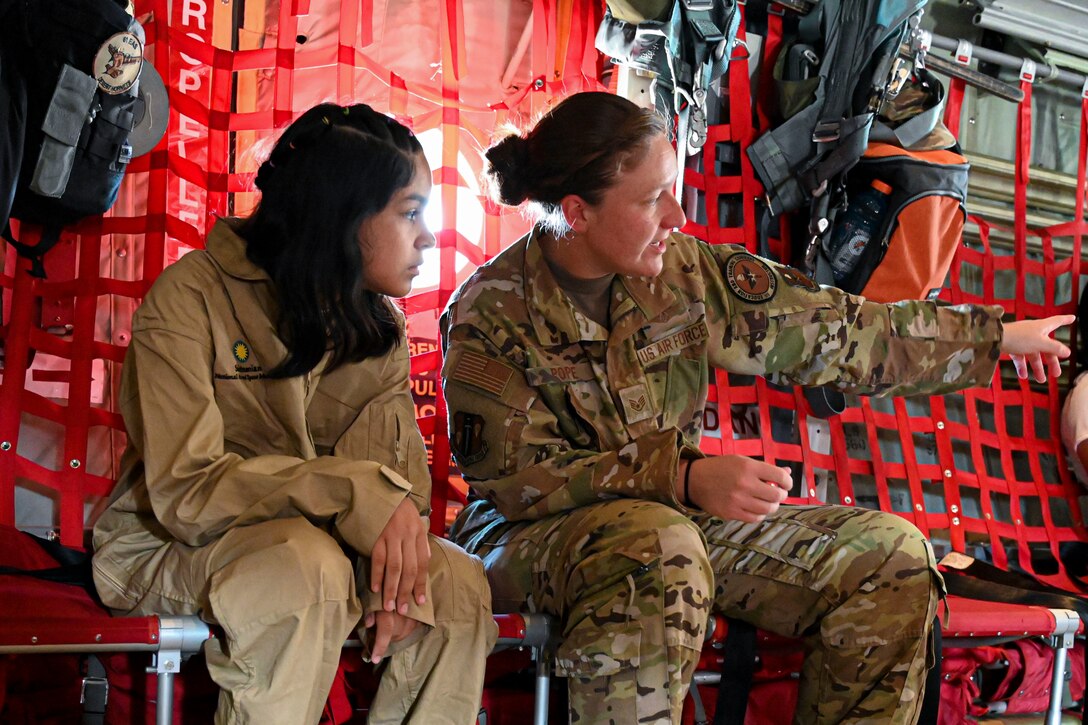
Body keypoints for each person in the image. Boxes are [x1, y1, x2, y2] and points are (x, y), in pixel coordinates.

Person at [440, 91, 1073, 725]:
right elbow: (521, 484)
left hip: (672, 521)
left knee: (891, 555)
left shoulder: (683, 275)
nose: (677, 215)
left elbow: (835, 329)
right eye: (649, 199)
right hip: (520, 539)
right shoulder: (490, 314)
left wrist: (995, 339)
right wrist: (681, 476)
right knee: (657, 548)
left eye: (673, 187)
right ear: (577, 212)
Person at [92, 102, 496, 724]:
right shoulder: (189, 299)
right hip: (164, 545)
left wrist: (398, 576)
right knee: (304, 572)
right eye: (411, 212)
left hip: (321, 550)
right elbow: (186, 495)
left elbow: (395, 494)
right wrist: (344, 491)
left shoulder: (376, 325)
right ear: (343, 215)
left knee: (454, 588)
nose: (427, 238)